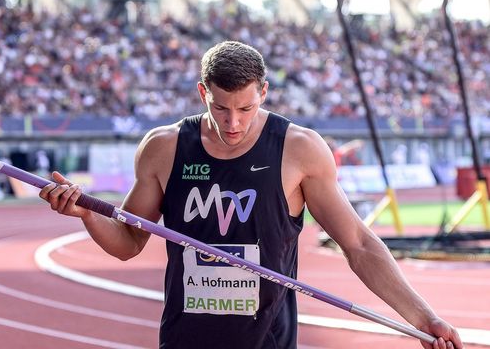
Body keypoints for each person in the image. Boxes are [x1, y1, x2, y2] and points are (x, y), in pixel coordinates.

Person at [39, 41, 463, 349]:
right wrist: (87, 215)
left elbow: (359, 244)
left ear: (263, 91)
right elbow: (129, 241)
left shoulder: (298, 149)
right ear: (203, 92)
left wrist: (424, 318)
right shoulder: (164, 147)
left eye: (245, 108)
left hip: (269, 341)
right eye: (221, 108)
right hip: (185, 340)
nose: (234, 122)